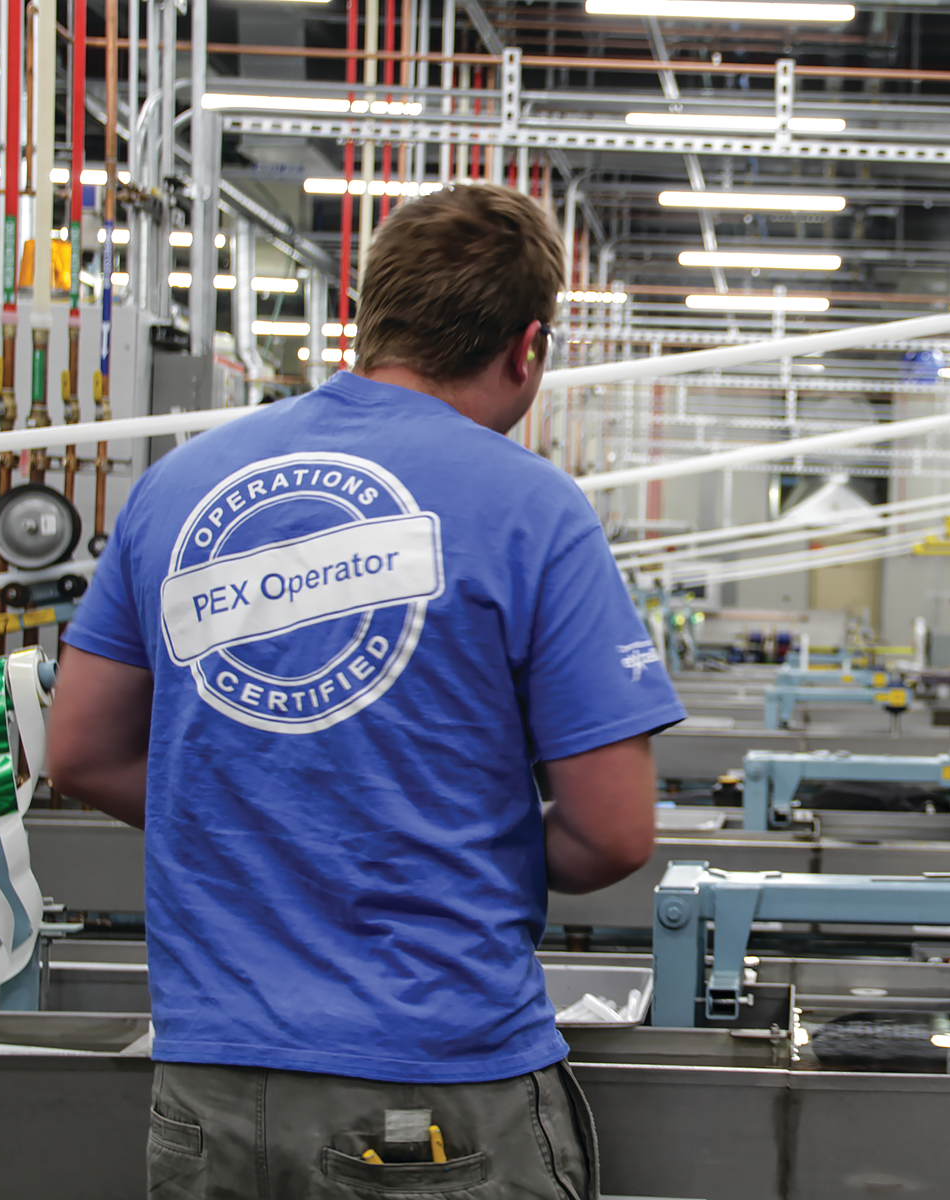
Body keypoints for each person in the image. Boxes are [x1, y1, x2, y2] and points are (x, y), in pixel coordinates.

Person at [45, 182, 685, 1198]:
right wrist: (450, 847)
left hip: (210, 1078)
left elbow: (77, 751)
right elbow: (615, 832)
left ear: (370, 314)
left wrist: (251, 823)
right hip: (437, 1082)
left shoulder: (178, 485)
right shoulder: (534, 508)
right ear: (527, 348)